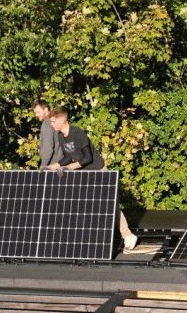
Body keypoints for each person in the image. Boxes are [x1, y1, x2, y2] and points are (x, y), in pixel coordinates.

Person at [45, 106, 138, 250]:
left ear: (62, 120)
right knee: (88, 207)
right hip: (84, 174)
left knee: (110, 206)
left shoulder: (78, 133)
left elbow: (87, 158)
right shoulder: (60, 136)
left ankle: (128, 236)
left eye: (53, 121)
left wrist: (69, 168)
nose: (52, 124)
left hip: (99, 171)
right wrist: (53, 166)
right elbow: (68, 156)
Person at [32, 100, 64, 168]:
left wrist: (43, 166)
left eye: (38, 112)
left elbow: (48, 148)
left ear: (46, 109)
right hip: (62, 164)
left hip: (52, 166)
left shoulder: (47, 123)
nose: (36, 115)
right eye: (35, 113)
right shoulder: (56, 121)